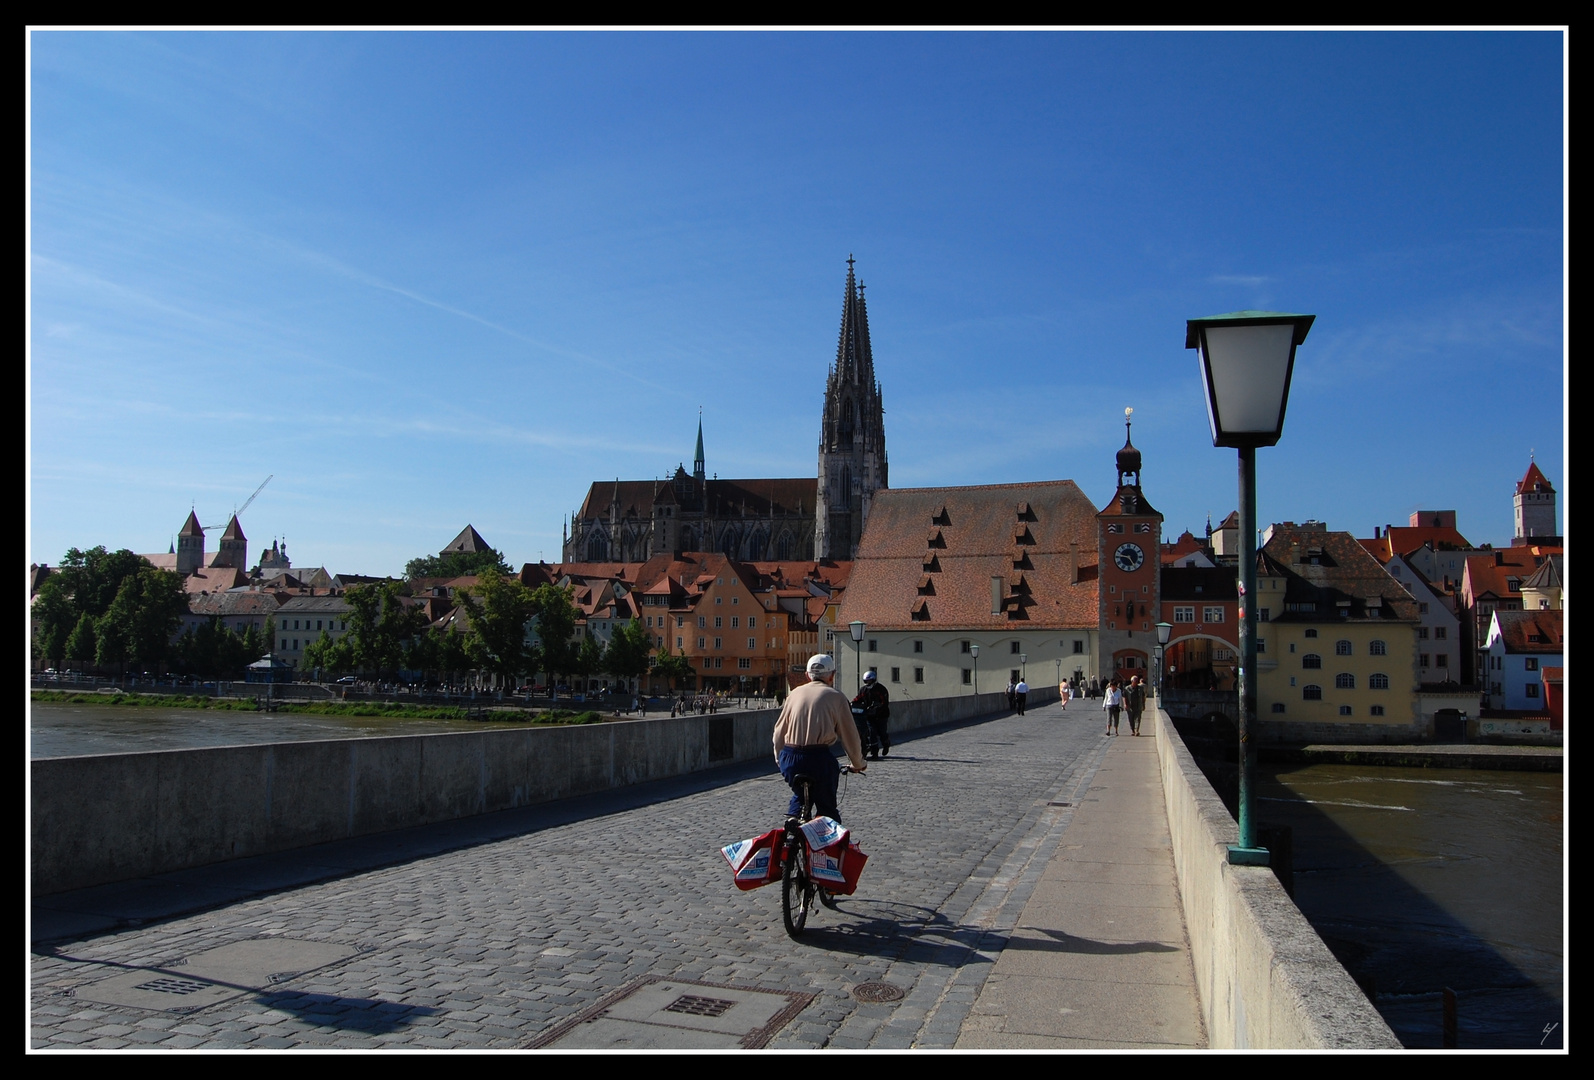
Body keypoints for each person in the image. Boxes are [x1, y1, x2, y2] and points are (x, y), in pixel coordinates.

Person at [773, 654, 867, 822]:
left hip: (790, 757)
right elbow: (850, 736)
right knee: (827, 808)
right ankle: (827, 840)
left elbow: (778, 732)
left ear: (807, 675)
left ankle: (791, 827)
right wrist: (858, 763)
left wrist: (781, 760)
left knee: (799, 795)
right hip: (818, 759)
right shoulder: (836, 697)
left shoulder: (794, 694)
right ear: (832, 675)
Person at [852, 668, 892, 759]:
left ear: (874, 680)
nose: (868, 683)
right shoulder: (863, 690)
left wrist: (877, 708)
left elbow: (884, 702)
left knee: (882, 732)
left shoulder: (881, 689)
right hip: (869, 716)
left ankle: (886, 744)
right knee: (871, 732)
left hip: (882, 715)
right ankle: (874, 752)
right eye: (866, 681)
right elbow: (858, 698)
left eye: (870, 681)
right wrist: (852, 703)